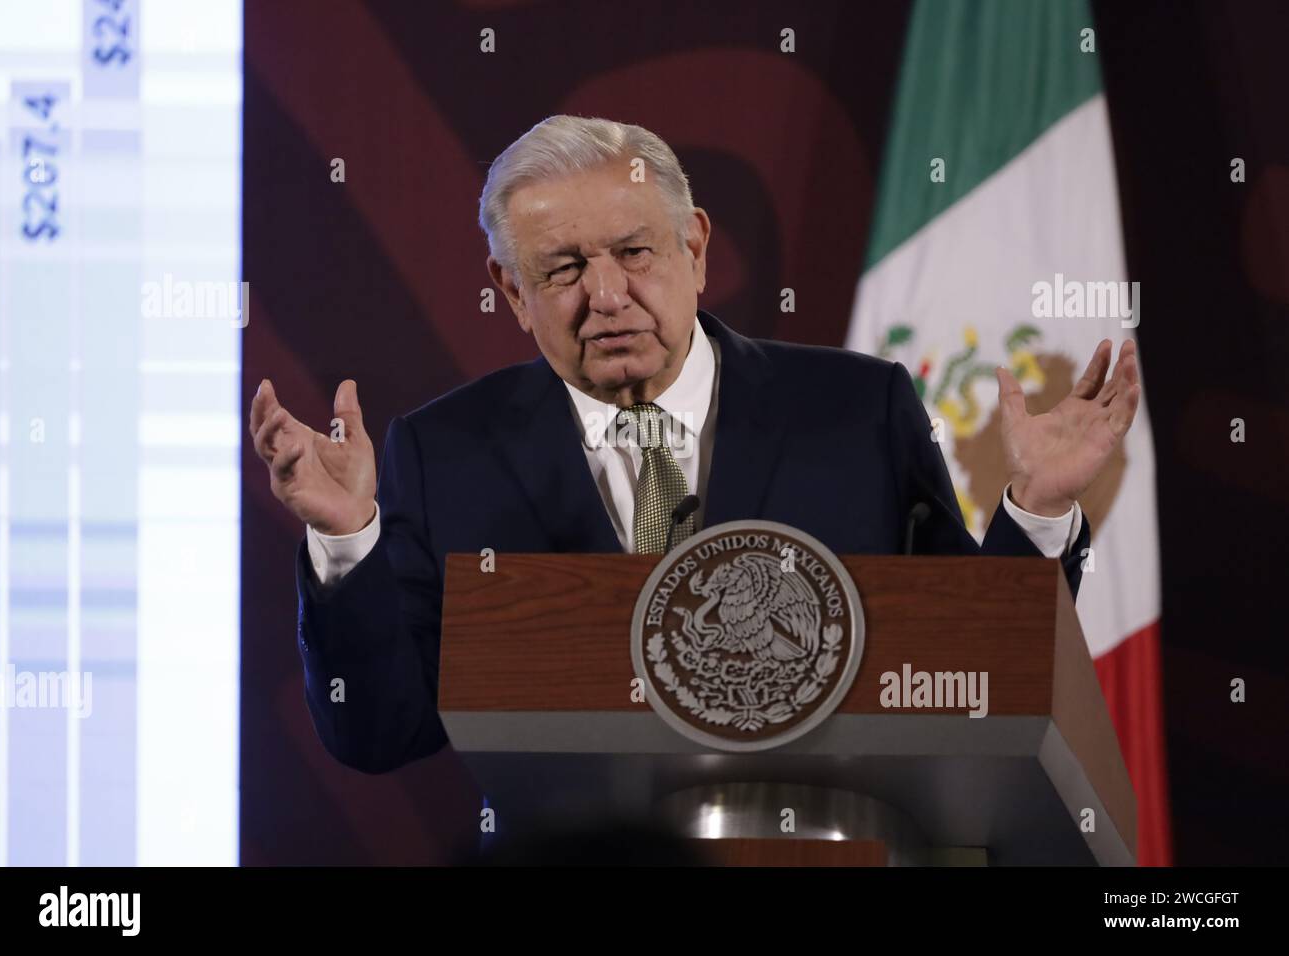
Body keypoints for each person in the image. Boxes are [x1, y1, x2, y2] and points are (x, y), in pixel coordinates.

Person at [249, 116, 1141, 773]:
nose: (605, 295)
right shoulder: (443, 451)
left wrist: (1038, 506)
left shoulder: (856, 409)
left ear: (696, 247)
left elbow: (971, 669)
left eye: (635, 253)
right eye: (560, 269)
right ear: (511, 292)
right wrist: (348, 541)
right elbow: (375, 731)